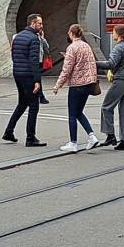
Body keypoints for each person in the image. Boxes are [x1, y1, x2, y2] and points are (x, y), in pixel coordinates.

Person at [53, 23, 100, 153]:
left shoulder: (72, 48)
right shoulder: (87, 46)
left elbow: (66, 70)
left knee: (72, 114)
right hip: (88, 84)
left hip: (76, 85)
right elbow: (92, 65)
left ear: (71, 34)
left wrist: (58, 85)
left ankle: (73, 143)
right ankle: (92, 136)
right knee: (79, 112)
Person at [3, 14, 47, 147]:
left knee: (22, 103)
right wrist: (37, 80)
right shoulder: (34, 39)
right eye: (39, 23)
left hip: (18, 73)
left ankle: (9, 131)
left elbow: (14, 56)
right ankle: (30, 137)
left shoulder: (18, 36)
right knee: (34, 106)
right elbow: (34, 61)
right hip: (28, 75)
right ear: (33, 24)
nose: (41, 26)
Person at [97, 24, 124, 150]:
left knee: (106, 107)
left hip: (120, 81)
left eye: (113, 32)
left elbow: (111, 63)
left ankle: (110, 135)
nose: (112, 34)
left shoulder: (118, 48)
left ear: (118, 34)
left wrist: (93, 63)